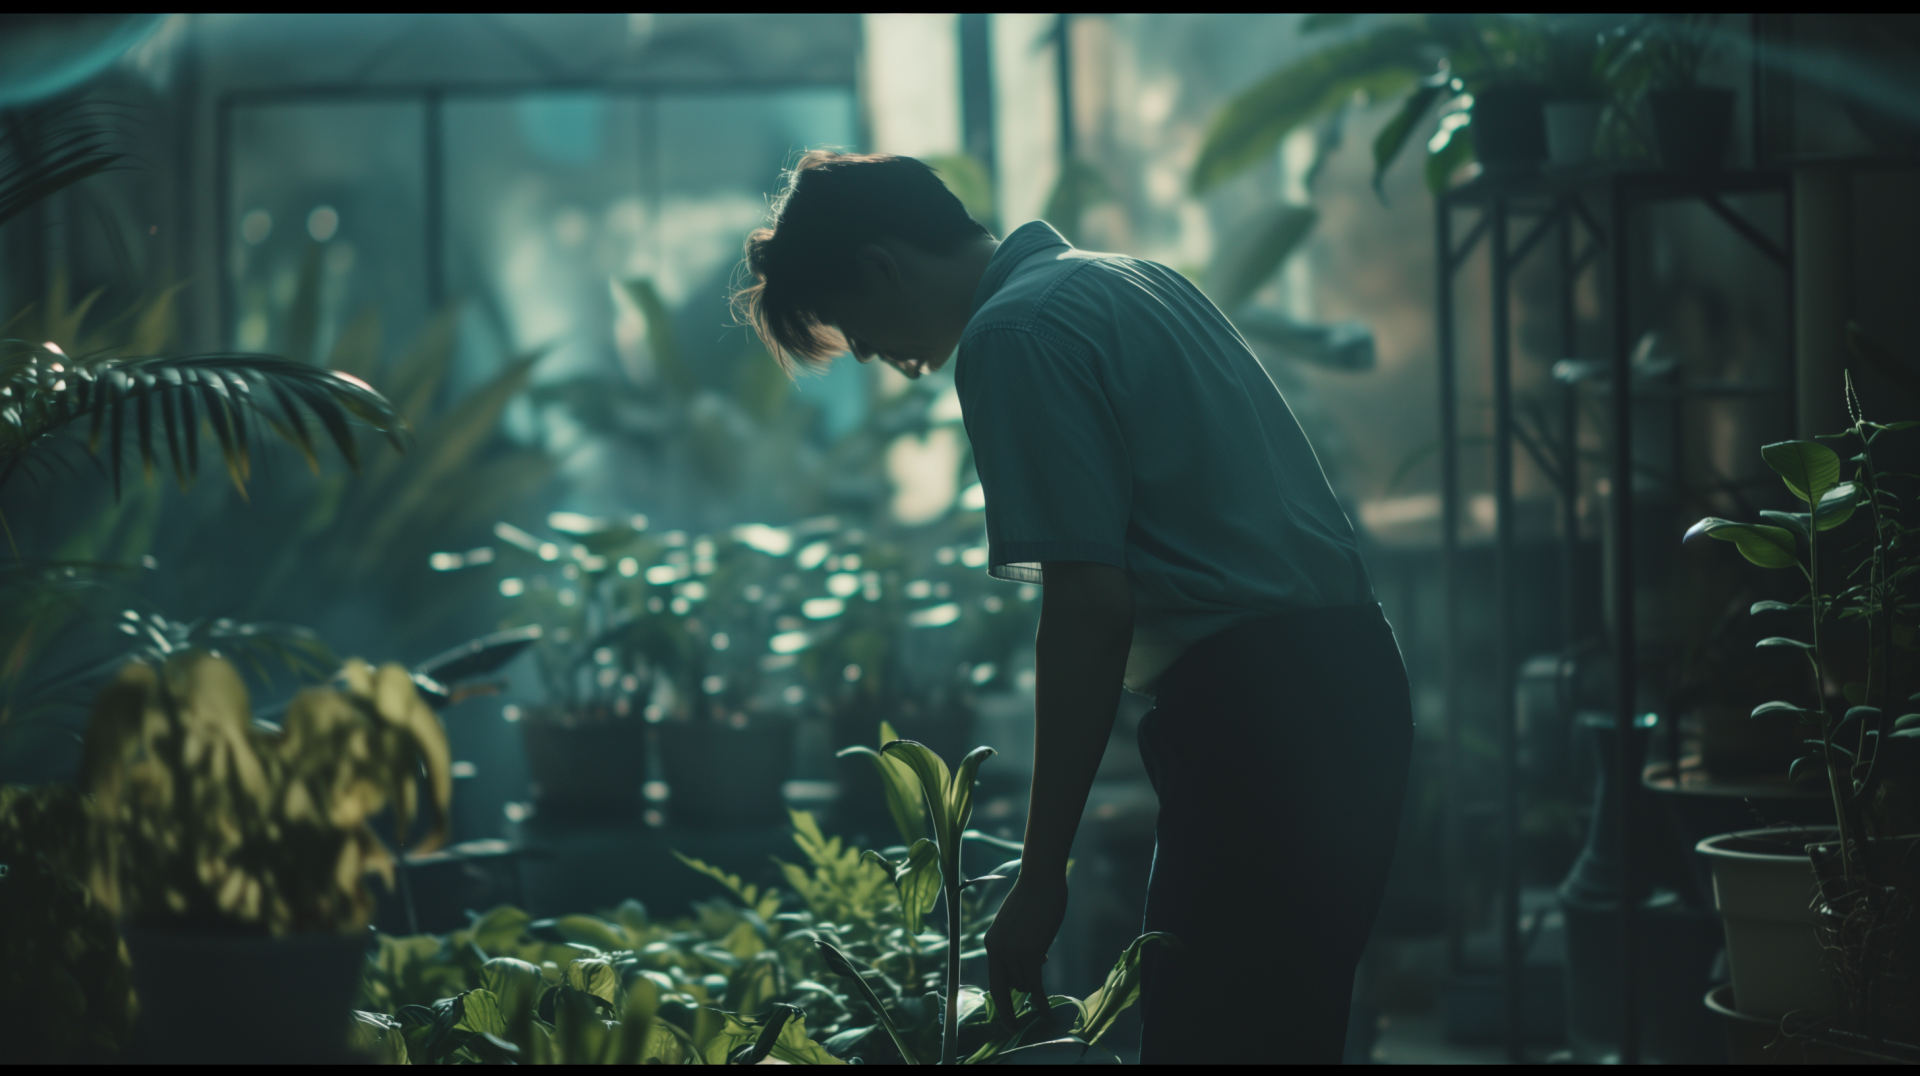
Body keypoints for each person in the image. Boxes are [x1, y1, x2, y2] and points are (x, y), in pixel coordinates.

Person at [733, 150, 1412, 1065]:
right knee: (1285, 1031)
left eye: (849, 322)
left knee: (1214, 1037)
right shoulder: (1128, 280)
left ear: (882, 266)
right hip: (1347, 682)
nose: (862, 352)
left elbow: (1089, 607)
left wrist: (1041, 871)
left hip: (1261, 716)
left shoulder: (1014, 333)